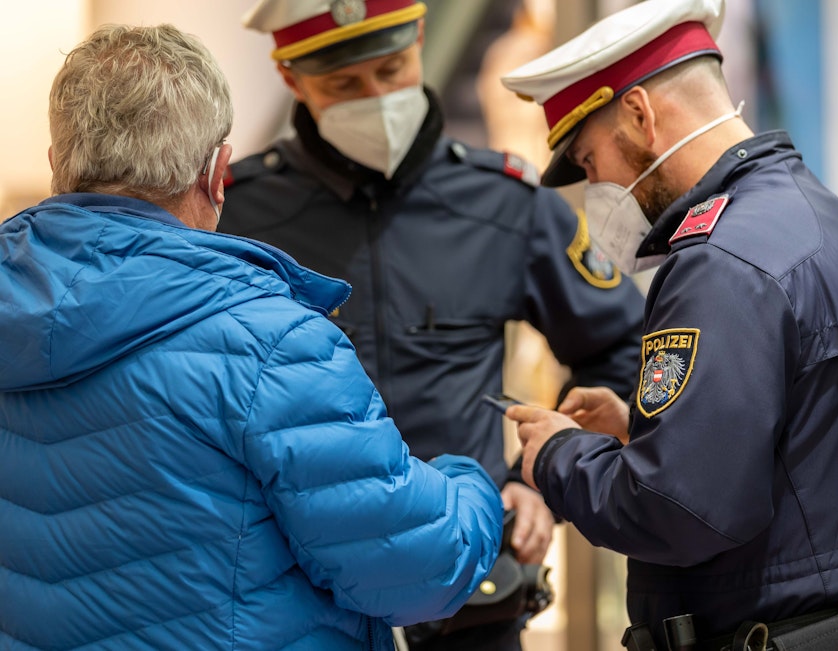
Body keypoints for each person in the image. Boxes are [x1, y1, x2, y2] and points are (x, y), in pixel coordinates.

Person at [0, 24, 504, 651]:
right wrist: (474, 481)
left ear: (57, 165)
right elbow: (416, 572)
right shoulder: (269, 346)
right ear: (217, 173)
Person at [500, 1, 838, 649]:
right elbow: (803, 444)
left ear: (641, 116)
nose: (596, 191)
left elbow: (679, 509)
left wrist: (558, 452)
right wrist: (644, 429)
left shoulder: (720, 261)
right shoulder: (836, 229)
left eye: (590, 164)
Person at [222, 2, 646, 649]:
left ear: (420, 37)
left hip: (474, 601)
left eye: (392, 68)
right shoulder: (239, 218)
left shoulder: (504, 203)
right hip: (300, 607)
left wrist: (540, 479)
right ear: (291, 78)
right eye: (344, 84)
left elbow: (620, 350)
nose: (376, 97)